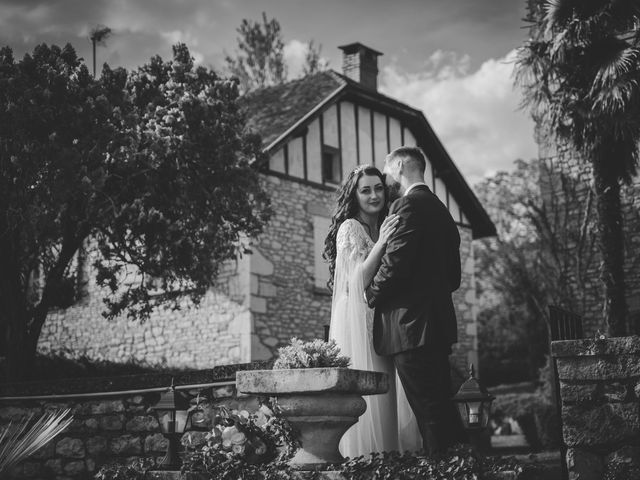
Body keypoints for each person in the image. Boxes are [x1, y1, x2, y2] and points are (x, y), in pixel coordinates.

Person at [364, 146, 464, 456]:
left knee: (429, 415)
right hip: (436, 325)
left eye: (388, 171)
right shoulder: (443, 211)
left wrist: (368, 294)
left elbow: (394, 265)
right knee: (442, 411)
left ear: (400, 168)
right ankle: (462, 468)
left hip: (410, 328)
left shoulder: (406, 206)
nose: (387, 179)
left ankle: (444, 471)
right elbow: (454, 278)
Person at [323, 164, 422, 458]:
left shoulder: (388, 222)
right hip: (357, 319)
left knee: (389, 392)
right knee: (368, 392)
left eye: (378, 188)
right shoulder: (350, 228)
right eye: (365, 190)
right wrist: (381, 244)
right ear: (354, 195)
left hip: (384, 319)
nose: (374, 195)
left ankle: (390, 460)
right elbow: (356, 282)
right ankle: (365, 460)